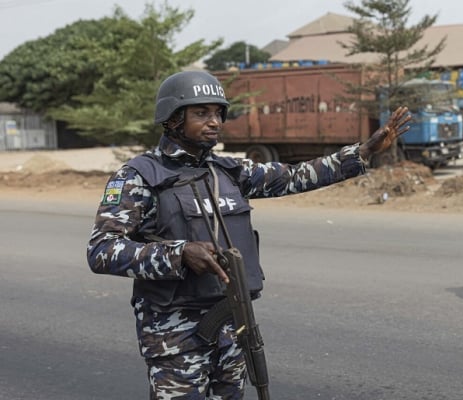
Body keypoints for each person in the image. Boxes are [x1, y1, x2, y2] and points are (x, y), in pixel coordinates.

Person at [86, 70, 411, 399]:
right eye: (201, 113)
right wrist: (178, 254)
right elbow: (102, 250)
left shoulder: (229, 171)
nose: (214, 122)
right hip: (175, 337)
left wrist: (364, 152)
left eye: (218, 113)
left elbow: (296, 176)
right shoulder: (140, 177)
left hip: (231, 328)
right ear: (171, 120)